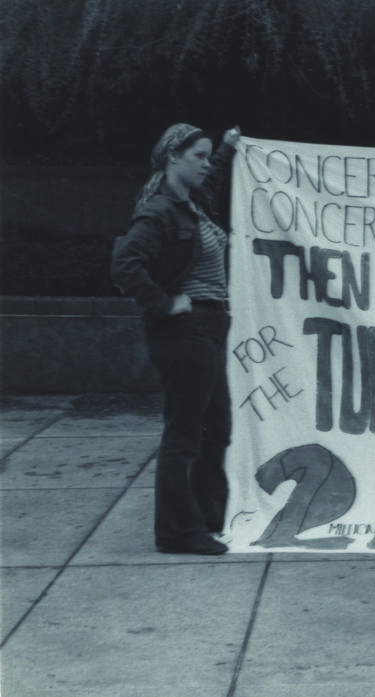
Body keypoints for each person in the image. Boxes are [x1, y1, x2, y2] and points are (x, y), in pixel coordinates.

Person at [111, 123, 242, 555]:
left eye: (207, 156)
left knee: (215, 428)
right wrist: (165, 304)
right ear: (172, 157)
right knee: (185, 434)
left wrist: (227, 147)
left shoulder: (194, 201)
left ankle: (207, 517)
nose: (206, 165)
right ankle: (178, 532)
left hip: (210, 327)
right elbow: (125, 266)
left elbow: (215, 174)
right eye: (198, 156)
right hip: (184, 332)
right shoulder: (159, 212)